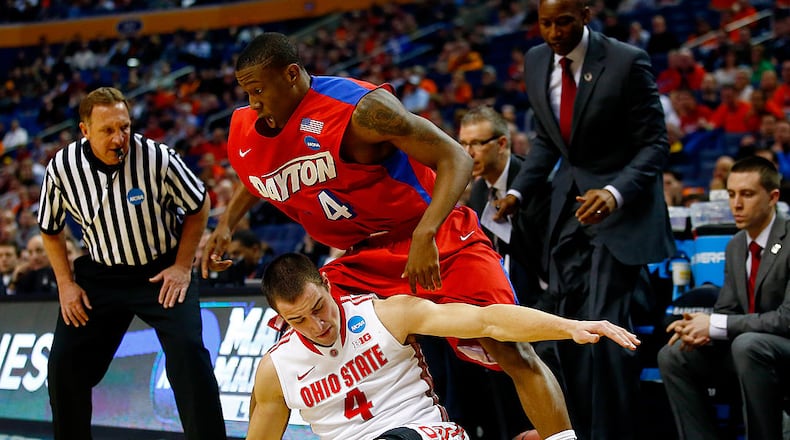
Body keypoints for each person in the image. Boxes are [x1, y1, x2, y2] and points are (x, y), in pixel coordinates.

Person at [203, 32, 576, 440]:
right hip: (365, 252)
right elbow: (256, 171)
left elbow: (456, 158)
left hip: (433, 234)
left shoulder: (361, 109)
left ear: (292, 75)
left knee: (508, 346)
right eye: (246, 92)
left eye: (258, 91)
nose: (252, 102)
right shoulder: (253, 125)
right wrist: (225, 224)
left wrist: (426, 233)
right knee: (283, 351)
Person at [495, 0, 675, 438]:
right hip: (568, 214)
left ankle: (611, 432)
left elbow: (655, 144)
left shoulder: (626, 61)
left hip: (621, 214)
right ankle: (574, 430)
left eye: (564, 22)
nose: (554, 32)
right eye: (545, 23)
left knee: (604, 332)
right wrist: (519, 191)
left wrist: (614, 193)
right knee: (565, 328)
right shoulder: (537, 61)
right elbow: (546, 141)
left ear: (587, 15)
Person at [248, 253, 641, 440]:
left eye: (319, 308)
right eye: (298, 320)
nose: (317, 326)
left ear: (329, 286)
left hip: (426, 435)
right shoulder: (276, 370)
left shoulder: (388, 314)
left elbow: (488, 320)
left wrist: (570, 326)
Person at [37, 87, 226, 440]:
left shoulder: (158, 158)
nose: (118, 138)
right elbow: (50, 229)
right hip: (101, 276)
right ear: (85, 131)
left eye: (124, 127)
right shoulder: (62, 168)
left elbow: (199, 207)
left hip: (161, 270)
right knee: (64, 366)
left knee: (189, 356)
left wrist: (183, 266)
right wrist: (65, 283)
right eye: (107, 130)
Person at [657, 156, 790, 440]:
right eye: (731, 194)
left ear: (772, 197)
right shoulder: (736, 246)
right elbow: (727, 310)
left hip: (779, 350)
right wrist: (699, 329)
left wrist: (716, 325)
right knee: (674, 353)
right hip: (748, 350)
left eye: (747, 194)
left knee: (747, 344)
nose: (736, 204)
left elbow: (786, 319)